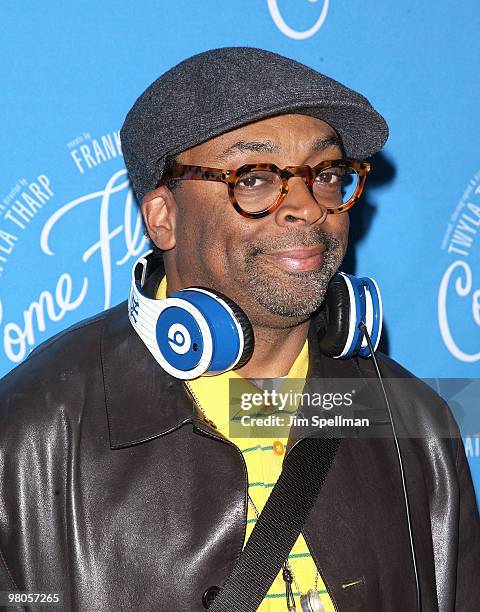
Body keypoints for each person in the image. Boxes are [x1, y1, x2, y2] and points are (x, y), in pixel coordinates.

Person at [0, 47, 478, 612]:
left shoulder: (412, 421)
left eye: (326, 175)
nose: (306, 205)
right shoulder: (33, 433)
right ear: (163, 217)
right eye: (253, 178)